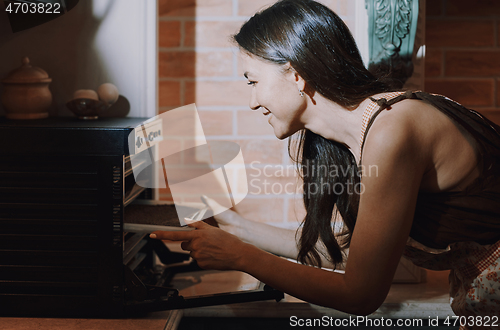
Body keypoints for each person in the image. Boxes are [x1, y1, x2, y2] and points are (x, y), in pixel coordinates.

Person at [150, 0, 500, 324]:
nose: (253, 102)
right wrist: (231, 225)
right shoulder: (364, 134)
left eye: (253, 81)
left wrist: (241, 257)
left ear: (295, 73)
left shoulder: (393, 129)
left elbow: (361, 294)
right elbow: (344, 250)